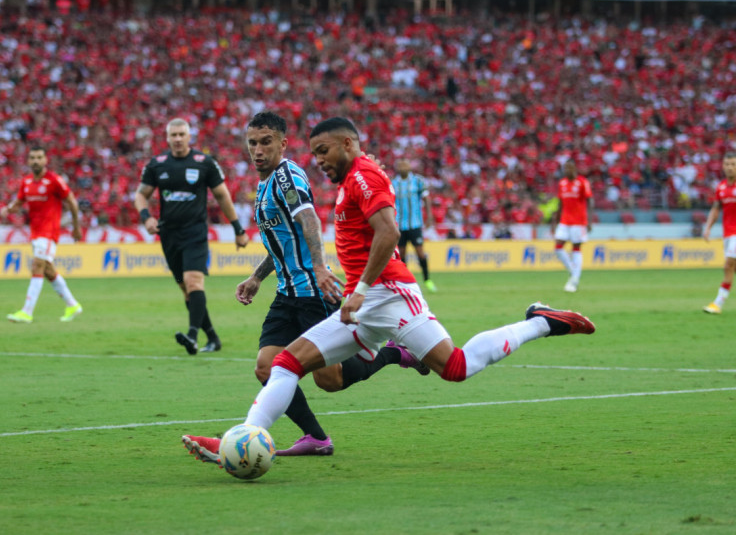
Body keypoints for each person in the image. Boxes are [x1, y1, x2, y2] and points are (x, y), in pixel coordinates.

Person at [192, 117, 595, 460]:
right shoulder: (357, 175)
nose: (318, 161)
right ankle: (242, 440)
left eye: (323, 151)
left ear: (347, 144)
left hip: (389, 294)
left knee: (455, 368)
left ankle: (539, 322)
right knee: (285, 364)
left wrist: (362, 288)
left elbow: (389, 232)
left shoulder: (362, 176)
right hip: (363, 301)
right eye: (314, 153)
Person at [181, 112, 428, 460]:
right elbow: (283, 240)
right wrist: (257, 276)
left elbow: (308, 219)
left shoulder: (286, 176)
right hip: (286, 295)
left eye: (266, 142)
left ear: (282, 143)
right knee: (266, 367)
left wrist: (317, 267)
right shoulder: (264, 186)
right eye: (252, 143)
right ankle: (316, 437)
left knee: (331, 380)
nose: (258, 150)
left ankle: (393, 353)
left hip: (313, 291)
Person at [134, 118, 250, 354]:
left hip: (195, 232)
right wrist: (146, 217)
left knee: (194, 282)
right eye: (173, 135)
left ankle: (192, 336)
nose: (177, 139)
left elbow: (222, 196)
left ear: (189, 137)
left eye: (181, 135)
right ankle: (213, 338)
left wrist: (238, 229)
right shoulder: (157, 165)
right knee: (187, 290)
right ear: (167, 138)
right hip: (168, 235)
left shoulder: (204, 163)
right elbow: (140, 195)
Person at [0, 145, 83, 323]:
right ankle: (72, 305)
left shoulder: (54, 180)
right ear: (28, 161)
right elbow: (19, 202)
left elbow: (72, 202)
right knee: (47, 270)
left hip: (49, 231)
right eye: (32, 158)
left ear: (46, 160)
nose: (36, 161)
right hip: (35, 233)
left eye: (39, 157)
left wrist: (76, 227)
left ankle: (27, 311)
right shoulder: (27, 182)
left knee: (37, 265)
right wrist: (8, 209)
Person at [393, 158, 436, 292]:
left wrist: (429, 216)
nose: (403, 168)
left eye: (405, 166)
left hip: (415, 224)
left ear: (409, 168)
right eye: (400, 166)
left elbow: (426, 198)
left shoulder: (418, 181)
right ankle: (405, 282)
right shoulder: (394, 183)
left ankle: (427, 280)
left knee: (420, 252)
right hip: (399, 225)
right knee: (402, 254)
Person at [551, 158, 594, 292]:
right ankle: (573, 271)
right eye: (565, 168)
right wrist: (555, 221)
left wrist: (590, 220)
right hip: (564, 221)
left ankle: (574, 280)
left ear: (574, 169)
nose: (566, 171)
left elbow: (590, 201)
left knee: (576, 247)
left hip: (579, 222)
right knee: (558, 247)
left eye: (569, 168)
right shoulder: (562, 183)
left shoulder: (582, 182)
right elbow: (560, 204)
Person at [702, 152, 736, 314]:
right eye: (727, 164)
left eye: (733, 164)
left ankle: (718, 303)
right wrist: (708, 227)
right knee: (733, 268)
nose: (730, 167)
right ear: (723, 166)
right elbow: (715, 209)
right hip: (728, 234)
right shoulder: (721, 187)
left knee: (728, 265)